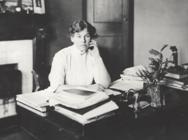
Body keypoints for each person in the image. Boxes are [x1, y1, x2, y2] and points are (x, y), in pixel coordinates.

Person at [48, 20, 111, 93]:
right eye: (79, 36)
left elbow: (105, 84)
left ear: (91, 38)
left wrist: (97, 57)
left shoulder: (93, 54)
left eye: (87, 36)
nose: (83, 40)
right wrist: (89, 88)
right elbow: (57, 88)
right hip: (67, 97)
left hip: (87, 98)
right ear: (72, 38)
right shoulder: (61, 56)